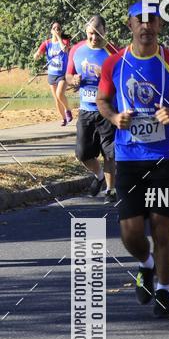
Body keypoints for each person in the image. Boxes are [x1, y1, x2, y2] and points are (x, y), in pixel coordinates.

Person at [96, 0, 169, 319]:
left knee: (162, 227)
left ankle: (164, 290)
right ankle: (146, 264)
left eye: (152, 20)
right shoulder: (114, 63)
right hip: (128, 158)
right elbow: (102, 100)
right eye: (139, 20)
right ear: (130, 24)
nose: (146, 25)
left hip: (164, 158)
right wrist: (114, 117)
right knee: (130, 232)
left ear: (159, 25)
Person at [66, 15, 117, 201]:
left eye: (98, 33)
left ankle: (111, 190)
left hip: (107, 110)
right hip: (86, 110)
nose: (94, 37)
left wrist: (105, 76)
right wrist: (74, 80)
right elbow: (68, 75)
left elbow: (122, 79)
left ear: (105, 32)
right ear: (85, 32)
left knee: (109, 153)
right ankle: (99, 175)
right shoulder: (76, 50)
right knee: (82, 153)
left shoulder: (113, 52)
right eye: (90, 33)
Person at [34, 21, 72, 125]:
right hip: (52, 74)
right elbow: (37, 54)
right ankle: (63, 119)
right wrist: (37, 55)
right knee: (56, 99)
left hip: (62, 74)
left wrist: (58, 37)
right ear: (51, 30)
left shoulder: (65, 41)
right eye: (54, 28)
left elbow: (64, 49)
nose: (56, 30)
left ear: (61, 30)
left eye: (58, 28)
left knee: (60, 94)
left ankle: (67, 110)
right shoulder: (47, 43)